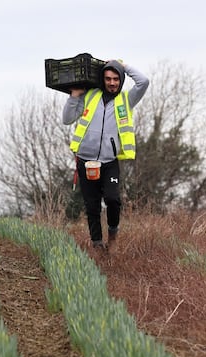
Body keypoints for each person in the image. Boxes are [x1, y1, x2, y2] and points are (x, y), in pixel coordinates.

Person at [62, 59, 149, 251]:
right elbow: (67, 119)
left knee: (112, 199)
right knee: (91, 205)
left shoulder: (127, 100)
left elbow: (144, 81)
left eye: (116, 79)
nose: (112, 83)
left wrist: (124, 66)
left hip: (109, 162)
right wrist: (74, 96)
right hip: (85, 160)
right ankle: (97, 245)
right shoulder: (90, 95)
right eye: (108, 78)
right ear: (102, 79)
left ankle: (113, 236)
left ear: (121, 80)